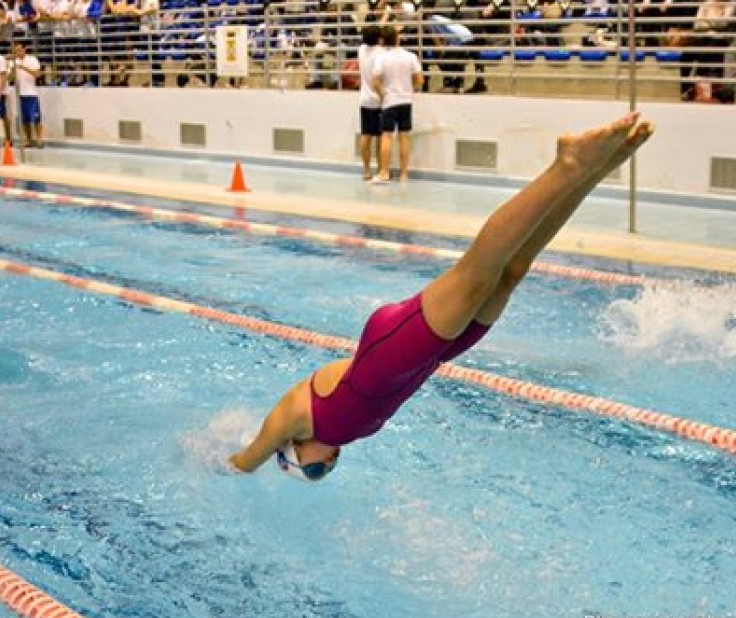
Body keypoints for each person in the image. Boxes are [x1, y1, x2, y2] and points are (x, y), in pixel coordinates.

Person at [228, 112, 654, 482]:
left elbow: (244, 461)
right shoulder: (334, 428)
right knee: (511, 273)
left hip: (396, 349)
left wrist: (213, 462)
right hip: (432, 355)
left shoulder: (294, 416)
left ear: (292, 450)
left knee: (475, 273)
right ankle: (594, 171)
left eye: (316, 469)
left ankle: (566, 164)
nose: (331, 464)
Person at [371, 25, 421, 183]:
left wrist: (383, 94)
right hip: (406, 100)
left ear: (384, 41)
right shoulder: (411, 56)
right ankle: (404, 174)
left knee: (387, 136)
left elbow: (376, 82)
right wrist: (410, 89)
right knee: (404, 137)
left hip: (390, 101)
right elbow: (420, 80)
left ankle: (385, 172)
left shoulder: (381, 59)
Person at [357, 24, 384, 181]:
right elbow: (378, 79)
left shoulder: (361, 50)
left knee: (366, 136)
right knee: (381, 137)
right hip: (378, 100)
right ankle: (381, 169)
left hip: (364, 99)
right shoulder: (381, 53)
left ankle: (366, 170)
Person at [11, 41, 43, 147]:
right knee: (25, 120)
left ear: (25, 49)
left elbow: (37, 74)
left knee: (36, 119)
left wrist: (23, 68)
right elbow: (10, 79)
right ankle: (29, 139)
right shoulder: (14, 62)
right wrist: (12, 71)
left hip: (32, 94)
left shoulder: (32, 60)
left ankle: (39, 139)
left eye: (20, 50)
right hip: (21, 95)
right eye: (16, 51)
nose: (18, 52)